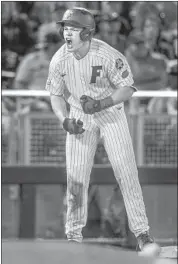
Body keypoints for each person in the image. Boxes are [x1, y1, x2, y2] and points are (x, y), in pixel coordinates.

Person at [45, 7, 160, 256]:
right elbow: (55, 95)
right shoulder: (59, 59)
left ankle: (142, 234)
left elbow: (127, 89)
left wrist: (101, 103)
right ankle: (73, 237)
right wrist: (64, 120)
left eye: (73, 29)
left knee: (126, 173)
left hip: (110, 112)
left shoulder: (107, 55)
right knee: (76, 178)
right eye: (65, 28)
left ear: (86, 33)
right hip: (79, 114)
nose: (67, 33)